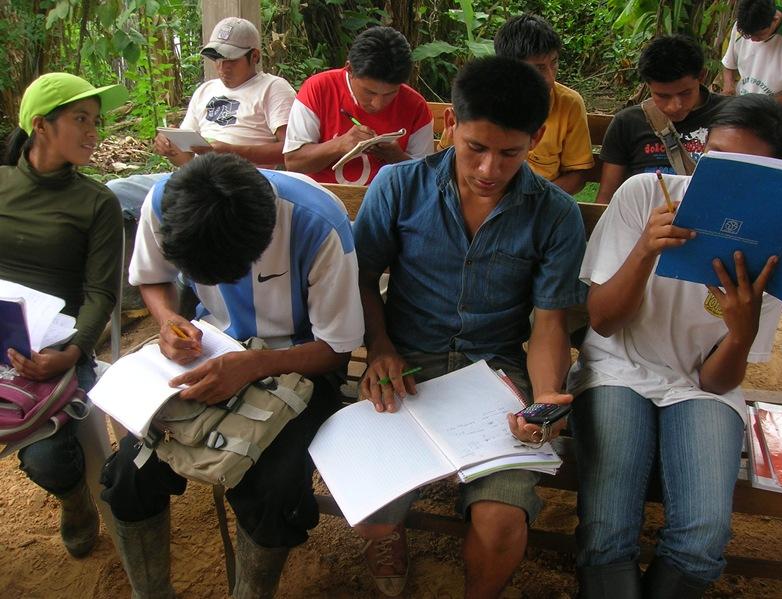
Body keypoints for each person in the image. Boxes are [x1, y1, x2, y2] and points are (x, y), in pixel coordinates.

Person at [352, 56, 587, 598]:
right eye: (474, 148)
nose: (488, 169)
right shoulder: (398, 187)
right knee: (373, 491)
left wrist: (546, 398)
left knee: (502, 519)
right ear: (449, 126)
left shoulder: (554, 213)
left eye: (510, 153)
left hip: (495, 375)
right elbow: (361, 280)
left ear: (537, 137)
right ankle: (386, 534)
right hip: (405, 364)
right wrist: (380, 348)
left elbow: (549, 322)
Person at [100, 153, 364, 598]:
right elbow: (153, 277)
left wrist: (254, 365)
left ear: (265, 237)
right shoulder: (168, 203)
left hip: (300, 362)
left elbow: (336, 348)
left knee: (274, 489)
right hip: (209, 347)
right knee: (129, 472)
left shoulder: (317, 223)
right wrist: (167, 319)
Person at [568, 93, 782, 598]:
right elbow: (602, 322)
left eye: (747, 169)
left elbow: (717, 379)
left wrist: (741, 329)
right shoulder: (647, 195)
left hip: (701, 387)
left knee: (702, 542)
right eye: (713, 159)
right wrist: (645, 251)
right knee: (606, 533)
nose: (721, 181)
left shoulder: (774, 244)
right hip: (617, 368)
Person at [0, 72, 127, 557]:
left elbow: (100, 293)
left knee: (50, 459)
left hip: (52, 353)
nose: (94, 131)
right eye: (81, 119)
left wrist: (74, 351)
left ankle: (74, 499)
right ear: (41, 126)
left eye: (96, 121)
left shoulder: (96, 203)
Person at [108, 17, 296, 223]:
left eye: (231, 60)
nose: (223, 67)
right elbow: (186, 160)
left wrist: (229, 152)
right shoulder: (206, 90)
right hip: (195, 178)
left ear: (254, 56)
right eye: (217, 59)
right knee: (113, 192)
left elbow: (290, 151)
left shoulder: (273, 88)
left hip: (240, 184)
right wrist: (171, 147)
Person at [438, 13, 594, 194]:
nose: (550, 79)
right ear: (509, 67)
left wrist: (536, 202)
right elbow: (443, 160)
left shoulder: (569, 103)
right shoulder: (477, 99)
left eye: (554, 63)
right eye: (538, 68)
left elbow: (578, 174)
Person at [283, 26, 433, 185]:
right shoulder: (318, 89)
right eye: (369, 92)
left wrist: (396, 157)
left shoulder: (415, 106)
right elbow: (293, 163)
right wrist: (340, 144)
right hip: (322, 203)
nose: (378, 104)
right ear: (349, 69)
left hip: (389, 206)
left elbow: (426, 179)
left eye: (390, 94)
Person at [596, 34, 726, 204]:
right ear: (647, 85)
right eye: (662, 96)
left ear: (701, 76)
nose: (674, 106)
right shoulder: (628, 123)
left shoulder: (730, 116)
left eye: (685, 93)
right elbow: (606, 199)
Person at [722, 0, 782, 118]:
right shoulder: (743, 27)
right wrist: (728, 86)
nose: (752, 40)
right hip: (742, 106)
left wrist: (765, 102)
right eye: (748, 36)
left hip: (775, 115)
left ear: (775, 18)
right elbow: (729, 64)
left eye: (759, 35)